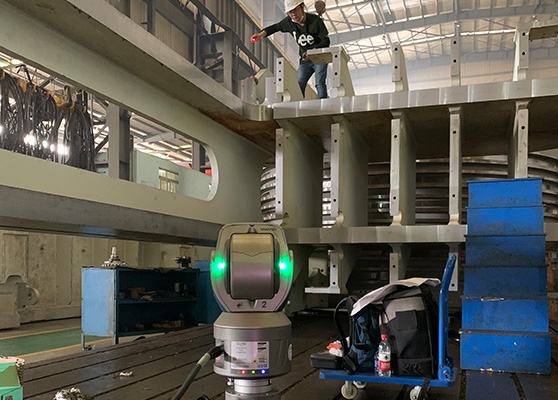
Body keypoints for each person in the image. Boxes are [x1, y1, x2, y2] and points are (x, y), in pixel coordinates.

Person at [251, 1, 330, 99]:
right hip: (305, 60)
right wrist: (260, 35)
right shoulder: (289, 22)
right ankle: (298, 103)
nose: (294, 15)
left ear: (302, 7)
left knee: (319, 82)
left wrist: (313, 51)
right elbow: (275, 27)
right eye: (290, 12)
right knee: (299, 83)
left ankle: (322, 103)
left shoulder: (315, 20)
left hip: (320, 57)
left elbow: (326, 41)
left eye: (296, 10)